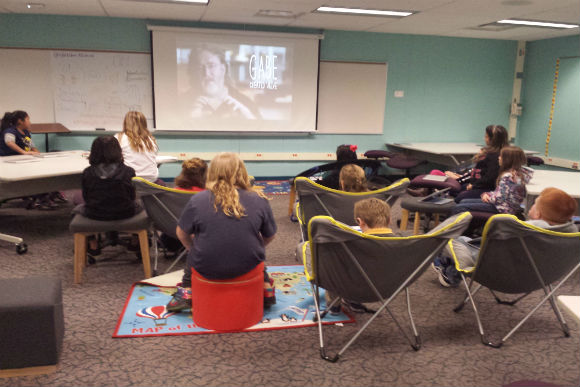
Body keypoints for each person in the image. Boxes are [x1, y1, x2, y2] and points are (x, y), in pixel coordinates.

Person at [167, 152, 277, 312]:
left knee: (196, 246)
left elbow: (181, 233)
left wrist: (194, 249)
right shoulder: (259, 199)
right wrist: (253, 244)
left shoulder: (198, 200)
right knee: (254, 246)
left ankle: (187, 292)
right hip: (249, 266)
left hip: (206, 266)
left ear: (212, 173)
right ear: (243, 172)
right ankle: (266, 289)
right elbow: (270, 235)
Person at [433, 187, 578, 287]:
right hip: (540, 277)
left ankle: (451, 274)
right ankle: (449, 265)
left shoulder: (520, 230)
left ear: (538, 214)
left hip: (497, 272)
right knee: (465, 243)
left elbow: (491, 248)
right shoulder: (568, 234)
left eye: (534, 204)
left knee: (451, 240)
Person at [327, 197, 395, 315]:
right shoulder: (403, 241)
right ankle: (353, 302)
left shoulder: (351, 243)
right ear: (389, 221)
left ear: (360, 221)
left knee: (332, 262)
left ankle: (334, 306)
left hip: (350, 287)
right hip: (386, 289)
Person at [78, 136, 143, 255]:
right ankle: (134, 241)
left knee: (76, 209)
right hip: (125, 212)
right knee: (143, 205)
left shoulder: (87, 172)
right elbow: (131, 196)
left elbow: (86, 197)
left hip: (95, 214)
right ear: (118, 151)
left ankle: (93, 243)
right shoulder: (128, 171)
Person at [0, 111, 67, 209]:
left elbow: (32, 146)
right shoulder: (10, 131)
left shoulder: (26, 132)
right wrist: (24, 152)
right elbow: (9, 142)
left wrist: (38, 154)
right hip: (10, 162)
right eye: (28, 119)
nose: (30, 122)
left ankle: (51, 192)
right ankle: (42, 199)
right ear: (20, 121)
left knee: (45, 169)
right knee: (37, 176)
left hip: (24, 160)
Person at [451, 146, 533, 217]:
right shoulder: (518, 173)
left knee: (460, 207)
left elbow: (500, 199)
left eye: (501, 156)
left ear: (507, 159)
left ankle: (447, 231)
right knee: (464, 201)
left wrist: (487, 196)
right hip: (505, 206)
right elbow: (503, 194)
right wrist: (488, 194)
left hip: (502, 209)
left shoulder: (508, 177)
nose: (498, 158)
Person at [184, 46, 260, 119]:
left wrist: (249, 119)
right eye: (199, 68)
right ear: (192, 72)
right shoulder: (182, 101)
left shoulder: (245, 103)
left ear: (223, 69)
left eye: (211, 66)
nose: (206, 73)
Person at [446, 125, 509, 202]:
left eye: (486, 136)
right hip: (476, 184)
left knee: (460, 197)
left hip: (486, 188)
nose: (484, 139)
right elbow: (476, 172)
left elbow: (490, 178)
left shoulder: (496, 156)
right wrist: (460, 179)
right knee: (452, 189)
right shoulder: (488, 152)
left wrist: (474, 186)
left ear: (492, 139)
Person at [115, 111, 160, 184]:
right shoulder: (150, 139)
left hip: (130, 179)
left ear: (125, 123)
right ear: (144, 123)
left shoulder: (119, 138)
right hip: (151, 180)